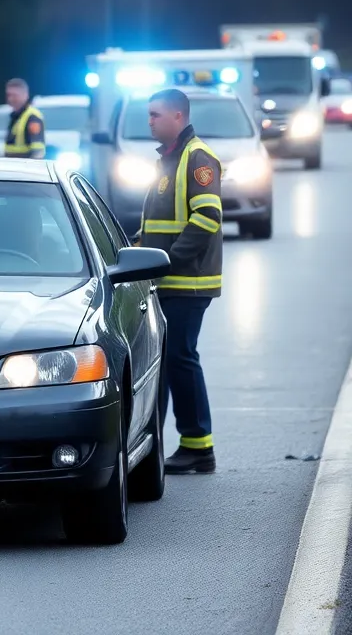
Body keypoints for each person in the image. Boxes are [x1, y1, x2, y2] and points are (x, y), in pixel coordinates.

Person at [137, 87, 223, 475]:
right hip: (168, 280)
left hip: (187, 281)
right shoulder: (168, 159)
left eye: (155, 114)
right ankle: (159, 444)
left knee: (180, 358)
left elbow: (206, 218)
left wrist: (167, 259)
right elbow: (158, 225)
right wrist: (135, 249)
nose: (150, 121)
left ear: (177, 116)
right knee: (171, 360)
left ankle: (198, 447)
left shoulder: (196, 158)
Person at [3, 78, 46, 159]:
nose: (10, 99)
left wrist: (32, 165)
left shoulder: (32, 117)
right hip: (13, 164)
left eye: (15, 95)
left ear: (25, 95)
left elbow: (38, 150)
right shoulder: (15, 116)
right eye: (8, 95)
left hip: (24, 165)